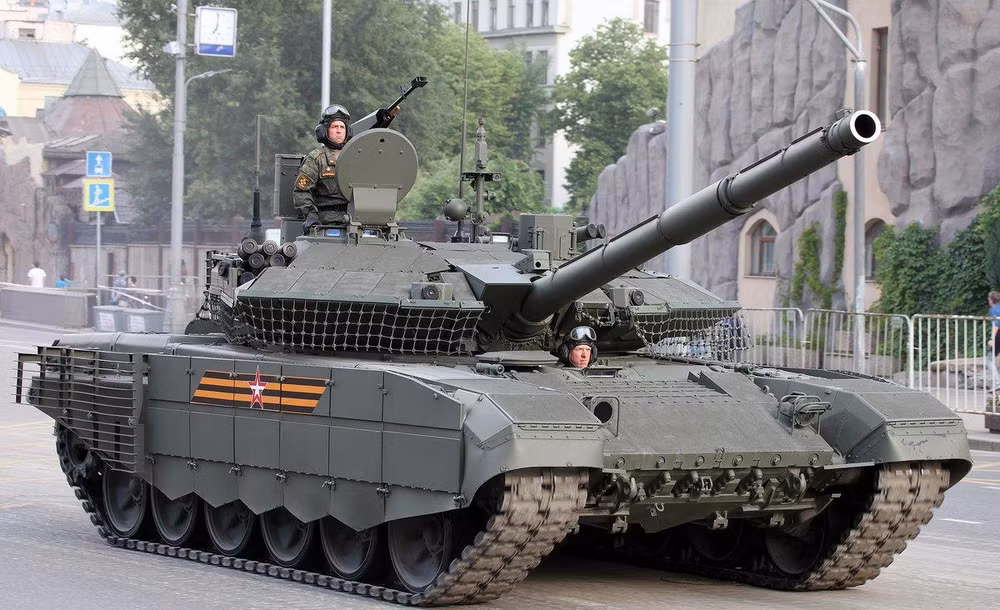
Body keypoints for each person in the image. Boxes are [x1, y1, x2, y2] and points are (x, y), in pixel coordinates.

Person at [292, 104, 353, 230]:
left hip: (354, 221)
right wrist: (311, 215)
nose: (339, 131)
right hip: (326, 223)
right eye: (334, 127)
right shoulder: (316, 158)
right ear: (325, 131)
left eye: (342, 127)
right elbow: (301, 191)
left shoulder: (355, 156)